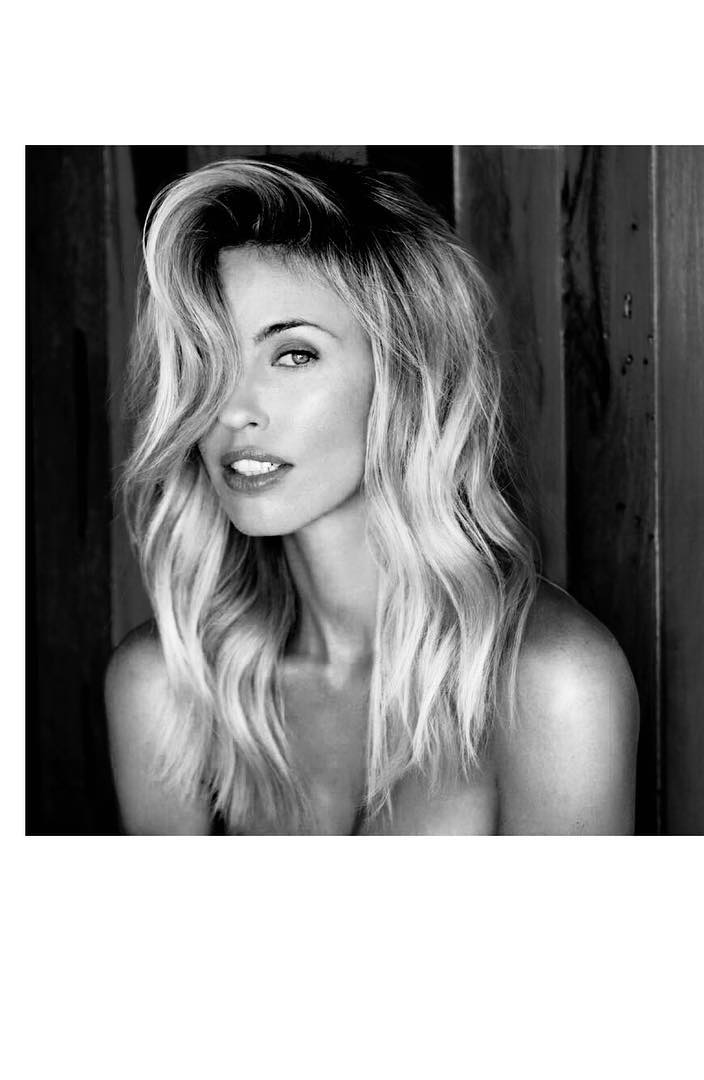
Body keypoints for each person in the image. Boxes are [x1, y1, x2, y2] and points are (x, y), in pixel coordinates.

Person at [105, 154, 638, 835]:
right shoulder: (165, 688)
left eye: (293, 355)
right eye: (206, 359)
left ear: (405, 375)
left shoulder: (554, 683)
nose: (231, 409)